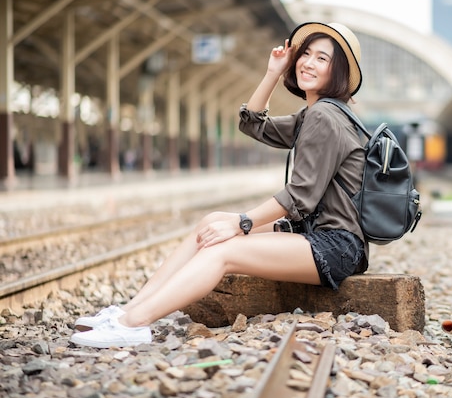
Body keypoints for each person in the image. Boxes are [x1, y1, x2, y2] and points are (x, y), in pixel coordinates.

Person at [70, 22, 369, 349]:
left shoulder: (325, 117)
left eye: (322, 59)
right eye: (306, 53)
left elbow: (299, 197)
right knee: (210, 223)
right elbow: (253, 125)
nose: (308, 62)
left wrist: (241, 224)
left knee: (223, 250)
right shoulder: (314, 113)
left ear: (337, 71)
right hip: (315, 234)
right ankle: (128, 310)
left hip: (335, 245)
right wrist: (272, 72)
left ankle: (134, 324)